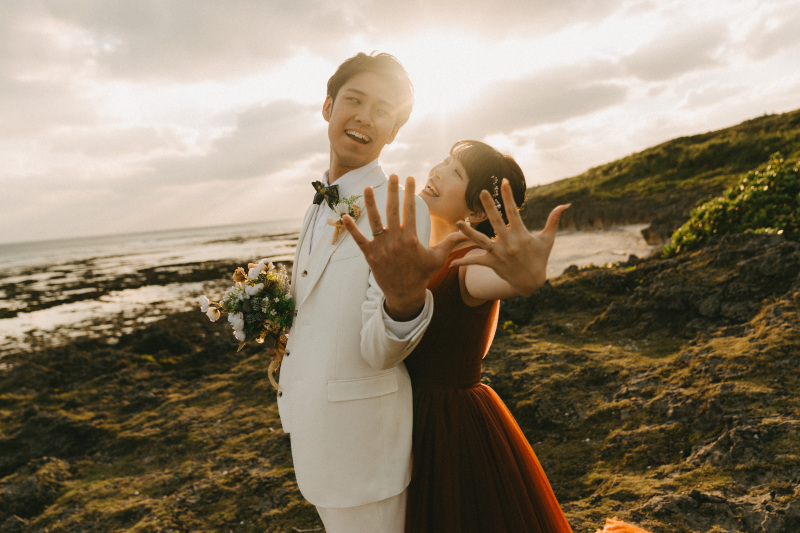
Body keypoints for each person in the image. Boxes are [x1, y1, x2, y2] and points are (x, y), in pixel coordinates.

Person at [347, 140, 651, 532]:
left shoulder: (468, 264)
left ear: (476, 210)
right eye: (444, 161)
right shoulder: (419, 254)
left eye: (456, 172)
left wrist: (524, 277)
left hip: (448, 427)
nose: (438, 171)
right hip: (404, 416)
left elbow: (505, 280)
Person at [276, 52, 462, 533]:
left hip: (363, 452)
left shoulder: (399, 211)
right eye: (354, 100)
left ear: (393, 132)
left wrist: (404, 304)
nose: (364, 117)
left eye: (382, 110)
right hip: (317, 438)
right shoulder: (316, 207)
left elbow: (379, 350)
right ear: (327, 107)